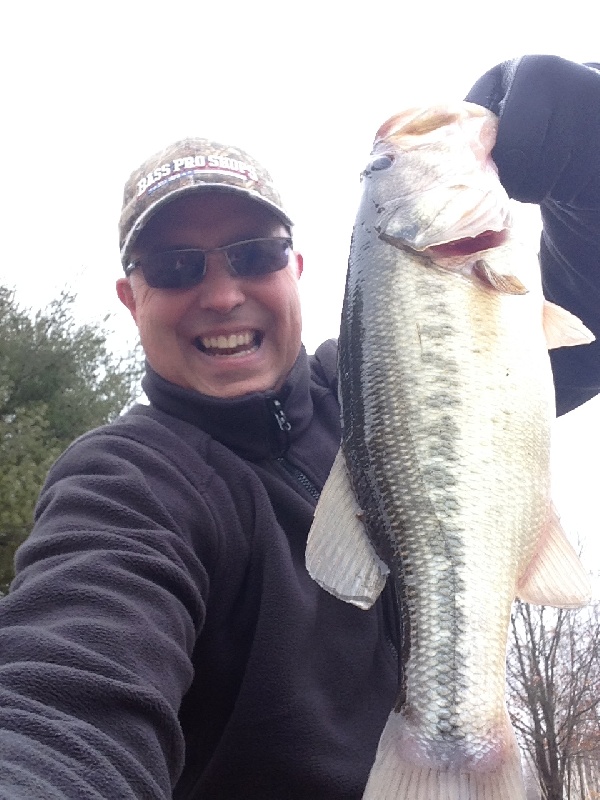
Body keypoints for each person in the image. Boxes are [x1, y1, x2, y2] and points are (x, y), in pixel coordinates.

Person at [0, 54, 599, 800]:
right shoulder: (127, 483)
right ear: (131, 297)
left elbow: (584, 330)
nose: (222, 295)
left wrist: (590, 183)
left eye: (254, 254)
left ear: (297, 267)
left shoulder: (373, 382)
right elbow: (65, 692)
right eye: (177, 266)